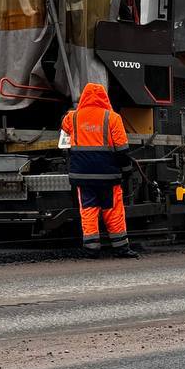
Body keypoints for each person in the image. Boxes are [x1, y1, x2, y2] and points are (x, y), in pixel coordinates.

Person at [60, 83, 139, 259]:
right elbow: (122, 149)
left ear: (83, 98)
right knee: (113, 210)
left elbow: (64, 126)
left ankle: (91, 249)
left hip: (82, 175)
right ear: (105, 98)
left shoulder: (73, 117)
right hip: (108, 174)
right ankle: (121, 248)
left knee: (88, 209)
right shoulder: (113, 118)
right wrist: (126, 171)